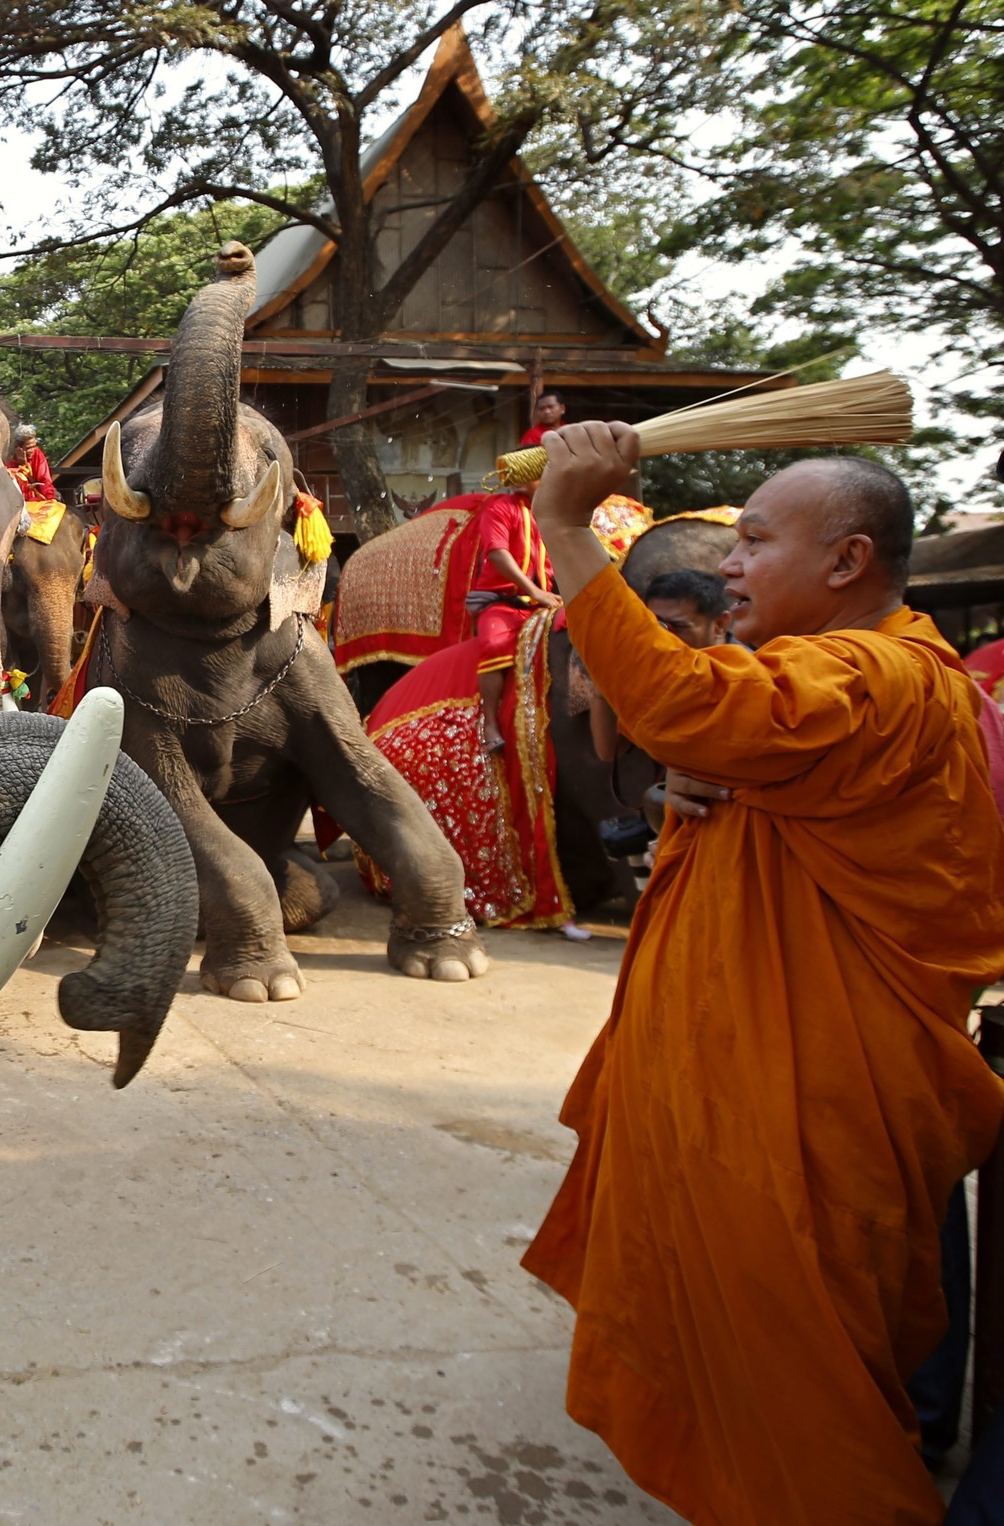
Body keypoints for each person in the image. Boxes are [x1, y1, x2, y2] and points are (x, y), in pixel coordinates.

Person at [522, 423, 1004, 1526]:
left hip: (815, 1083)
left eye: (751, 540)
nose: (727, 563)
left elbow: (689, 707)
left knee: (803, 1348)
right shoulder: (813, 680)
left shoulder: (884, 673)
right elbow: (729, 741)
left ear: (845, 562)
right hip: (748, 1066)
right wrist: (681, 789)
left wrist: (562, 524)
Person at [588, 568, 733, 765]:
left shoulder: (745, 673)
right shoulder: (649, 662)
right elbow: (610, 751)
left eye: (679, 627)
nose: (663, 640)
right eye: (656, 626)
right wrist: (603, 685)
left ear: (720, 625)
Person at [468, 485, 559, 752]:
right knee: (495, 645)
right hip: (502, 601)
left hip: (548, 600)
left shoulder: (553, 510)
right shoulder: (499, 508)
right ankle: (490, 723)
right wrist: (534, 591)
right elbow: (497, 553)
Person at [8, 424, 58, 501]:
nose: (32, 450)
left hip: (40, 498)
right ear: (17, 447)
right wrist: (21, 465)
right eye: (28, 448)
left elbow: (45, 480)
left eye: (34, 446)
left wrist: (51, 498)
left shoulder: (37, 453)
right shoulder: (9, 460)